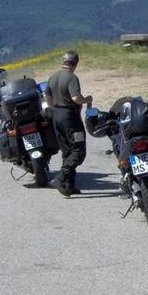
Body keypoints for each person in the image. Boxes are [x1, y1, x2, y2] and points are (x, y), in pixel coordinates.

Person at [45, 51, 93, 197]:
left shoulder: (53, 76)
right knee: (78, 151)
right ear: (75, 63)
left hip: (56, 115)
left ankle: (68, 185)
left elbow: (47, 95)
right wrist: (87, 100)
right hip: (70, 117)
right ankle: (60, 178)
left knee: (67, 151)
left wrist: (53, 108)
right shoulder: (72, 77)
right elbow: (75, 97)